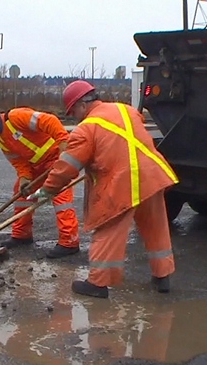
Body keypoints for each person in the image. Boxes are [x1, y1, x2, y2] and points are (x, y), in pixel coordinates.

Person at [30, 80, 179, 298]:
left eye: (73, 111)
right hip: (151, 175)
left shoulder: (85, 129)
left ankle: (97, 283)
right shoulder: (125, 109)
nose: (74, 116)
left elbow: (67, 167)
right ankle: (162, 276)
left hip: (121, 181)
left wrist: (48, 189)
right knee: (156, 227)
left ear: (82, 104)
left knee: (108, 229)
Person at [0, 101, 80, 259]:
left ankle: (69, 242)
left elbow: (50, 121)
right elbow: (18, 161)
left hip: (56, 159)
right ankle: (22, 234)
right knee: (21, 193)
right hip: (36, 168)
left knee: (61, 197)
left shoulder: (17, 117)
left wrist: (63, 143)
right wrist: (25, 177)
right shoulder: (0, 138)